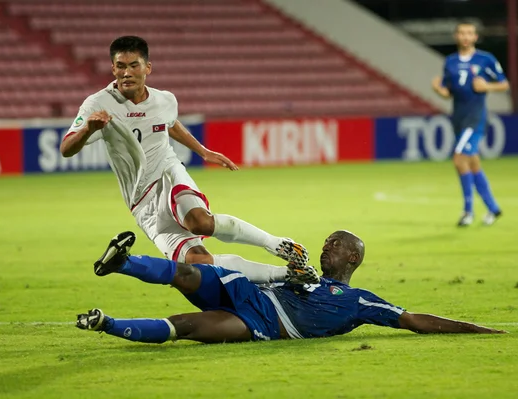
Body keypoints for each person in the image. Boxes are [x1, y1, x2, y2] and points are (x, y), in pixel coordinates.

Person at [60, 35, 314, 284]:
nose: (126, 73)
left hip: (167, 172)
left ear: (147, 68)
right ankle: (289, 276)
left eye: (133, 65)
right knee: (198, 264)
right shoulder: (97, 103)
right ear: (113, 68)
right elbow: (66, 149)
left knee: (199, 222)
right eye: (121, 66)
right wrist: (88, 130)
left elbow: (168, 123)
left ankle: (276, 244)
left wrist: (203, 151)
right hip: (140, 200)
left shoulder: (165, 99)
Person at [76, 230, 505, 343]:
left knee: (186, 326)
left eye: (334, 246)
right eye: (324, 244)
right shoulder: (306, 276)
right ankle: (121, 262)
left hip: (263, 325)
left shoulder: (361, 302)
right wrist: (289, 274)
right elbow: (273, 274)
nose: (325, 249)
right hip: (249, 293)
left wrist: (474, 328)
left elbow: (414, 320)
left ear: (353, 258)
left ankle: (105, 323)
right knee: (189, 274)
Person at [431, 22, 509, 227]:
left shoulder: (485, 59)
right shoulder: (450, 62)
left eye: (469, 33)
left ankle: (468, 211)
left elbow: (504, 83)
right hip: (458, 117)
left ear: (475, 37)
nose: (466, 36)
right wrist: (439, 91)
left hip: (475, 118)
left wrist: (487, 86)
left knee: (458, 159)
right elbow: (449, 92)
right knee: (472, 163)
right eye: (462, 33)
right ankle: (493, 208)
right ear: (456, 36)